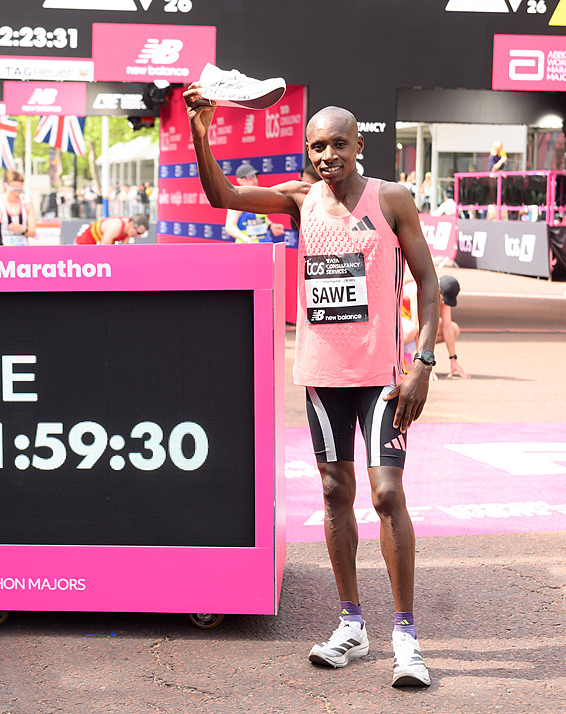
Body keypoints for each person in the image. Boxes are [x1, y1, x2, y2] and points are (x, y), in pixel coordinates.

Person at [186, 87, 440, 688]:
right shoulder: (300, 199)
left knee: (384, 496)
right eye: (317, 147)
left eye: (338, 144)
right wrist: (202, 130)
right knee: (333, 491)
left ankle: (406, 634)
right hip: (322, 376)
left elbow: (429, 283)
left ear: (360, 145)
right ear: (307, 152)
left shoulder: (392, 199)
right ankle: (351, 624)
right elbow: (221, 196)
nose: (327, 156)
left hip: (382, 377)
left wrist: (424, 364)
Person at [403, 274, 468, 378]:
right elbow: (419, 326)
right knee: (413, 329)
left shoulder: (442, 296)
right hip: (399, 328)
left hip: (410, 331)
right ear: (438, 290)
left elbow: (447, 327)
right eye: (443, 299)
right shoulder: (415, 290)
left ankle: (406, 352)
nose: (442, 302)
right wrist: (423, 362)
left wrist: (453, 359)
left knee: (454, 329)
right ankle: (401, 356)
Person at [226, 165, 287, 243]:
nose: (254, 180)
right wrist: (246, 239)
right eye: (250, 177)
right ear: (240, 181)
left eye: (255, 176)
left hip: (264, 244)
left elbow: (259, 217)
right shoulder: (236, 201)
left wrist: (271, 225)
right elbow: (229, 226)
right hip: (247, 247)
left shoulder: (259, 197)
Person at [74, 213, 149, 244]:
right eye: (139, 233)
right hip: (83, 244)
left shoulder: (129, 228)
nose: (138, 236)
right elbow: (104, 251)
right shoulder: (115, 227)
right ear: (132, 225)